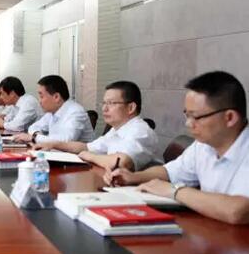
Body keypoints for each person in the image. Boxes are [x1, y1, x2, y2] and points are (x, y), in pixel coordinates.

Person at [105, 71, 249, 224]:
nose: (188, 124)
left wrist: (175, 191)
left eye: (196, 117)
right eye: (187, 115)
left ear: (229, 118)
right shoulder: (203, 146)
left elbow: (239, 210)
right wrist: (133, 177)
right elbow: (169, 172)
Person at [34, 81, 158, 171]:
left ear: (131, 107)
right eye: (104, 103)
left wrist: (91, 157)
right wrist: (53, 144)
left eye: (111, 103)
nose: (104, 108)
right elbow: (87, 147)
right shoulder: (116, 130)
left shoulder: (141, 131)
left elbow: (121, 162)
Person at [14, 75, 95, 144]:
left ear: (56, 97)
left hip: (78, 157)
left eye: (41, 96)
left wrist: (34, 138)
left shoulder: (76, 112)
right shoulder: (52, 112)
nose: (39, 101)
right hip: (57, 153)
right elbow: (33, 127)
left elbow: (66, 141)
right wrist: (36, 135)